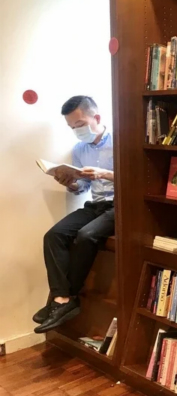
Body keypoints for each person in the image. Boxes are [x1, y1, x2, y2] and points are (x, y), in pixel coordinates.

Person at [34, 96, 115, 334]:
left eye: (80, 125)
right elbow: (83, 187)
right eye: (72, 127)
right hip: (96, 205)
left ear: (96, 117)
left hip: (120, 205)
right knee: (54, 235)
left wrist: (103, 173)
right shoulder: (79, 149)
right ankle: (62, 299)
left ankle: (63, 299)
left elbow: (134, 177)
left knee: (86, 235)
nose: (77, 131)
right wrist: (70, 183)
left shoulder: (121, 140)